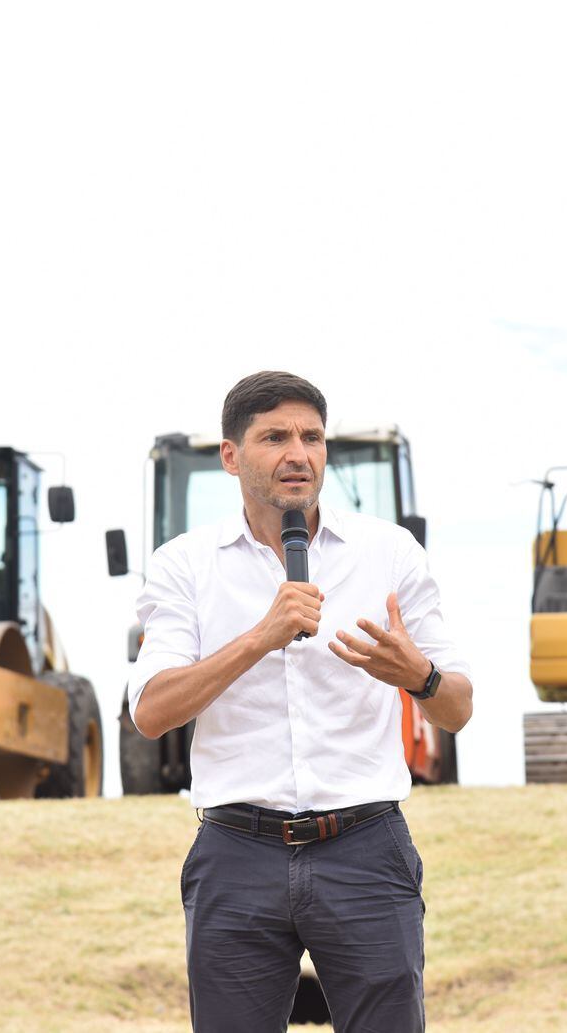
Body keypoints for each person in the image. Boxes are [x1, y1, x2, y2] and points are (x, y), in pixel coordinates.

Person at [128, 370, 473, 1032]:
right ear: (231, 457)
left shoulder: (388, 553)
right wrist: (260, 636)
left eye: (312, 437)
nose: (299, 453)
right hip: (236, 854)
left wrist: (418, 675)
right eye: (275, 437)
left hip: (366, 849)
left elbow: (457, 708)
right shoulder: (183, 565)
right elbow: (150, 711)